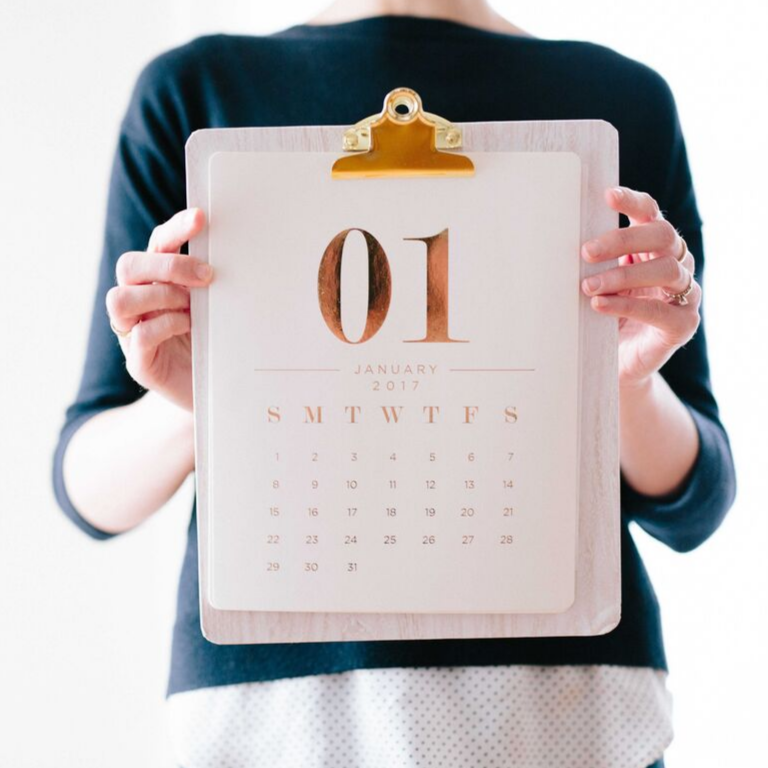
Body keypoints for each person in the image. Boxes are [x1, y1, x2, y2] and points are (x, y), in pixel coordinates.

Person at [51, 1, 737, 766]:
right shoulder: (194, 93)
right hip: (278, 713)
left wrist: (627, 383)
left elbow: (697, 501)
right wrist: (204, 402)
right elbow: (85, 487)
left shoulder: (619, 99)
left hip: (558, 702)